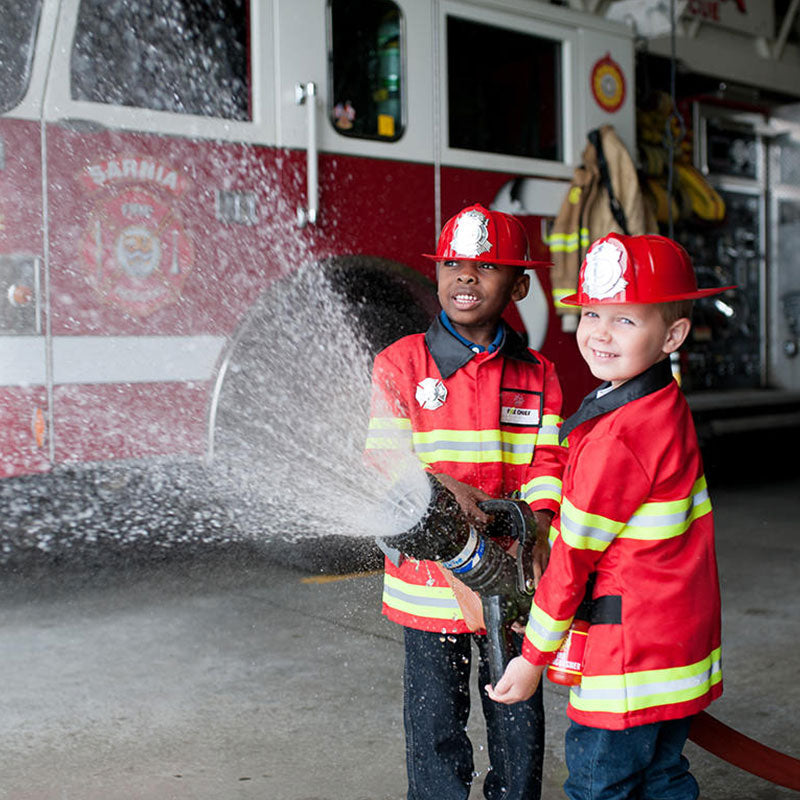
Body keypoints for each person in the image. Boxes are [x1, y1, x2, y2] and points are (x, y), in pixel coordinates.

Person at [487, 232, 732, 800]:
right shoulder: (660, 403)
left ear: (672, 334)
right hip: (676, 649)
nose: (598, 331)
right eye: (592, 311)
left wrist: (531, 660)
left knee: (601, 786)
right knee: (663, 776)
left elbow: (573, 560)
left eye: (624, 320)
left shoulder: (618, 437)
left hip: (627, 664)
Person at [365, 204, 567, 800]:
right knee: (434, 728)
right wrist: (435, 484)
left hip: (509, 583)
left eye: (486, 267)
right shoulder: (399, 364)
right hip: (427, 590)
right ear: (437, 275)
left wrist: (536, 528)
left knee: (517, 716)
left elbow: (546, 464)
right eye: (452, 263)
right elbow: (382, 459)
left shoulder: (539, 374)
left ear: (521, 285)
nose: (465, 277)